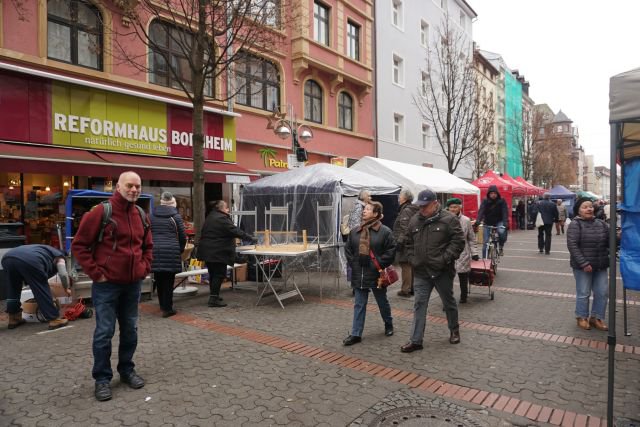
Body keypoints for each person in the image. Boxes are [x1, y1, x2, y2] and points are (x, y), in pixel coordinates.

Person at [72, 171, 153, 402]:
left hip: (132, 284)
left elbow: (148, 245)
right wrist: (97, 274)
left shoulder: (141, 214)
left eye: (137, 186)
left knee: (130, 330)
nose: (134, 190)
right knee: (104, 333)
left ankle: (126, 370)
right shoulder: (101, 212)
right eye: (129, 185)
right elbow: (79, 246)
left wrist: (144, 267)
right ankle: (102, 379)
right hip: (106, 285)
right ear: (118, 187)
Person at [400, 189, 465, 353]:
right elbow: (408, 242)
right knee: (419, 304)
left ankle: (454, 330)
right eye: (420, 206)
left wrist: (445, 259)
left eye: (425, 206)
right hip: (421, 271)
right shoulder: (415, 220)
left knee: (448, 302)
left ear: (435, 204)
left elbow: (458, 241)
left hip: (442, 271)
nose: (421, 209)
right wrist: (412, 259)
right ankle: (416, 340)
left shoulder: (448, 219)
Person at [343, 201, 396, 346]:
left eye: (368, 209)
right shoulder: (355, 231)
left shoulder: (385, 231)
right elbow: (348, 249)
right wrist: (354, 263)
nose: (364, 211)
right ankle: (356, 334)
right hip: (359, 273)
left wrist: (376, 264)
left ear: (376, 214)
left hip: (376, 274)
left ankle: (388, 324)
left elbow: (391, 251)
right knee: (359, 304)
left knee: (382, 302)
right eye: (364, 209)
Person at [198, 200, 256, 308]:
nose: (228, 209)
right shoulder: (222, 219)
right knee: (219, 275)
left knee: (213, 274)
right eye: (227, 208)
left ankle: (214, 295)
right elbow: (235, 231)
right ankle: (213, 299)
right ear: (222, 209)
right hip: (217, 252)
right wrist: (250, 238)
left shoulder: (211, 216)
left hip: (209, 251)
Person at [1, 244, 70, 330]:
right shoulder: (60, 256)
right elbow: (63, 274)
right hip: (30, 260)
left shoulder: (46, 250)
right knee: (41, 289)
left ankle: (13, 318)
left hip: (7, 258)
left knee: (13, 288)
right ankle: (54, 319)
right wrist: (66, 287)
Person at [566, 198, 610, 331]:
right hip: (583, 266)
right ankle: (581, 317)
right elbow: (572, 245)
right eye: (585, 207)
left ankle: (597, 318)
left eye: (590, 206)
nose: (589, 209)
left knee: (602, 292)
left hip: (600, 264)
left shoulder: (601, 224)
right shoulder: (575, 224)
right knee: (584, 292)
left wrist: (618, 236)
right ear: (578, 210)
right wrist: (583, 263)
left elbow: (609, 241)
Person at [151, 192, 187, 318]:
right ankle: (168, 308)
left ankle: (162, 305)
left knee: (159, 279)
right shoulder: (175, 217)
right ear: (172, 202)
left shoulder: (152, 216)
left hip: (155, 251)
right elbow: (182, 236)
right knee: (168, 281)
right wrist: (180, 249)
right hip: (171, 251)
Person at [446, 198, 480, 304]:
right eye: (451, 207)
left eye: (455, 207)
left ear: (460, 207)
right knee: (447, 278)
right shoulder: (444, 219)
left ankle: (463, 296)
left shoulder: (466, 220)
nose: (453, 209)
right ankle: (447, 299)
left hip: (463, 253)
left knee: (463, 276)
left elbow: (471, 238)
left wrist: (474, 253)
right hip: (447, 252)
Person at [392, 189, 419, 297]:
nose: (398, 198)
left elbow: (405, 228)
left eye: (400, 197)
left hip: (405, 243)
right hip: (411, 242)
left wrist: (399, 242)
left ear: (405, 198)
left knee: (405, 265)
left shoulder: (406, 210)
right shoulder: (412, 209)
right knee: (410, 266)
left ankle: (405, 290)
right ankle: (412, 288)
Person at [476, 185, 508, 258]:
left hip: (499, 221)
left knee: (501, 232)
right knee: (485, 243)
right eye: (491, 193)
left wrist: (505, 222)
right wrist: (478, 220)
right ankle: (484, 260)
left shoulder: (502, 201)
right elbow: (481, 211)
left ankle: (501, 246)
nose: (493, 195)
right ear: (488, 194)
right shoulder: (485, 201)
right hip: (487, 222)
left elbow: (504, 212)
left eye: (494, 193)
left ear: (497, 193)